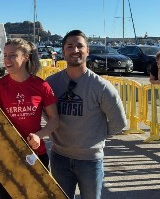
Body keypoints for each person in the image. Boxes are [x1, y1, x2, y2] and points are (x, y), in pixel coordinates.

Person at [45, 30, 127, 199]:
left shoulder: (102, 87)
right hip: (59, 158)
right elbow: (47, 114)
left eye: (80, 46)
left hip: (90, 161)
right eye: (69, 46)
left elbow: (119, 122)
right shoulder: (51, 83)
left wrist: (95, 137)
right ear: (63, 51)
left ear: (87, 50)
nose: (75, 50)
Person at [0, 38, 59, 199]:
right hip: (8, 155)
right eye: (5, 55)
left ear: (26, 57)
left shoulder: (41, 86)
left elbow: (55, 120)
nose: (7, 59)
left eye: (12, 55)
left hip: (35, 155)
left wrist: (39, 135)